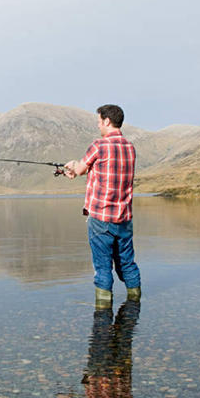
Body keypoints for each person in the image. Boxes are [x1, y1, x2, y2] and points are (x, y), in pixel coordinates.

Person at [64, 104, 141, 308]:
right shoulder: (130, 148)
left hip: (100, 218)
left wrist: (71, 166)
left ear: (107, 121)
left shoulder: (98, 146)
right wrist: (79, 168)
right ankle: (135, 305)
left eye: (99, 121)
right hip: (124, 218)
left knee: (103, 267)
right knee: (127, 264)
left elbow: (79, 169)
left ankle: (103, 316)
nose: (98, 125)